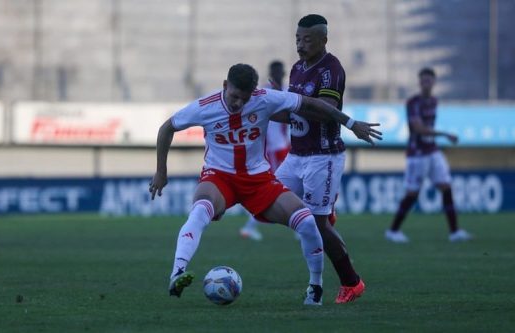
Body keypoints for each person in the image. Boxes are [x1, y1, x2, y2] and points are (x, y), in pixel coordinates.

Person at [149, 63, 381, 305]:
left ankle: (315, 287)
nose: (238, 102)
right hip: (219, 177)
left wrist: (351, 123)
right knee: (200, 209)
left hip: (258, 180)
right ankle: (177, 272)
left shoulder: (264, 98)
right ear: (225, 86)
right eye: (234, 96)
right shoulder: (205, 107)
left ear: (253, 93)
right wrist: (160, 173)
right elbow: (167, 128)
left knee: (307, 221)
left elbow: (311, 104)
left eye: (244, 98)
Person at [274, 14, 364, 304]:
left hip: (323, 157)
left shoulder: (331, 70)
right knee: (264, 204)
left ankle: (352, 282)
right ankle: (323, 213)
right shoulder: (298, 68)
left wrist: (295, 105)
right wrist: (260, 107)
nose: (300, 45)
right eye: (297, 39)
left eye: (307, 40)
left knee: (317, 225)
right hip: (296, 155)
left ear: (323, 40)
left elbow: (326, 109)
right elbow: (291, 112)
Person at [385, 68, 471, 243]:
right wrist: (445, 135)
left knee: (446, 186)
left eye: (429, 80)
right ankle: (393, 231)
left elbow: (427, 129)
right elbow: (418, 128)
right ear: (419, 83)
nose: (426, 83)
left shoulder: (433, 101)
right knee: (412, 194)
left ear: (434, 82)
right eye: (423, 80)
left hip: (432, 151)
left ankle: (454, 232)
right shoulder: (413, 103)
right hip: (417, 155)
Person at [239, 60, 291, 241]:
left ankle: (302, 227)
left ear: (284, 73)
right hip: (273, 149)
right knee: (276, 188)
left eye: (280, 71)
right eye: (275, 72)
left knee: (286, 187)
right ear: (270, 73)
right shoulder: (264, 92)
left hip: (285, 147)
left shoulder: (288, 90)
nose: (278, 74)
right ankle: (249, 225)